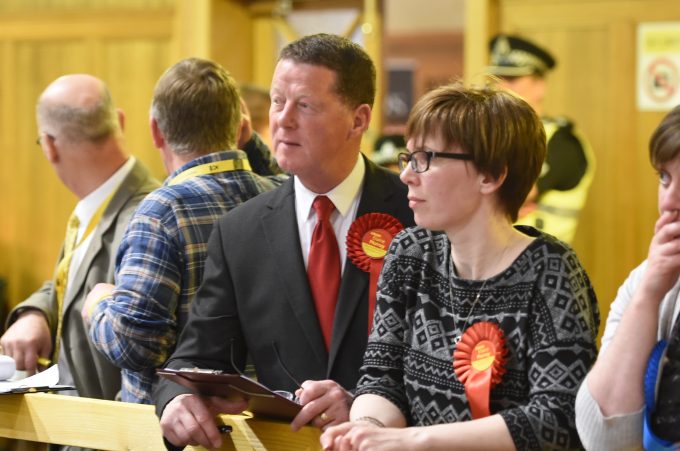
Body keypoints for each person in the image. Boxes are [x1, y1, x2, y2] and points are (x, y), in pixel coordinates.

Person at [153, 33, 414, 450]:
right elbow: (195, 356)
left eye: (305, 105)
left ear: (359, 119)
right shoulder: (239, 230)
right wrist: (176, 400)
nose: (282, 120)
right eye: (277, 102)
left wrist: (364, 404)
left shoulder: (417, 213)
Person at [320, 82, 600, 450]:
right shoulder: (410, 252)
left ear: (491, 175)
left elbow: (558, 417)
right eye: (409, 158)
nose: (407, 174)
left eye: (426, 158)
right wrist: (367, 428)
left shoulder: (552, 270)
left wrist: (416, 441)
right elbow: (381, 377)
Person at [81, 58, 283, 404]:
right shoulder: (281, 196)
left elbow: (136, 347)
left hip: (175, 423)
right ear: (240, 129)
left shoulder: (161, 212)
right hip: (266, 416)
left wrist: (98, 304)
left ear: (156, 130)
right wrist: (249, 145)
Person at [0, 74, 160, 400]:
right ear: (120, 121)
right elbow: (72, 283)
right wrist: (36, 313)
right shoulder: (95, 204)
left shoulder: (146, 219)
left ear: (49, 145)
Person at [575, 106, 680, 450]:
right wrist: (648, 296)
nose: (669, 201)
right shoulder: (649, 280)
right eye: (664, 178)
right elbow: (602, 439)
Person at [486, 34, 596, 244]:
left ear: (540, 85)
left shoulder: (561, 141)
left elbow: (510, 194)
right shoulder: (487, 135)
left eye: (512, 79)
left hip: (542, 264)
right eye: (497, 78)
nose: (501, 87)